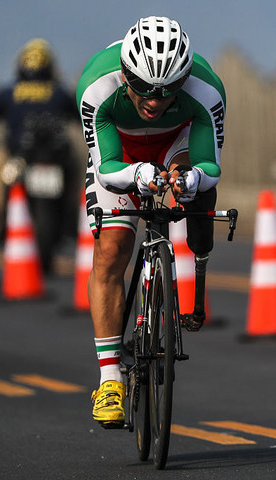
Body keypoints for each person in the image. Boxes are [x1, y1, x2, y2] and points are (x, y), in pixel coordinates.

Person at [76, 16, 226, 428]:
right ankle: (109, 379)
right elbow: (106, 169)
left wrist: (192, 178)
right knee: (111, 248)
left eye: (166, 91)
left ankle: (168, 286)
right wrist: (137, 174)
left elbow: (210, 163)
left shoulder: (206, 89)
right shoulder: (96, 88)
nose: (153, 101)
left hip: (176, 142)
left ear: (184, 80)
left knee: (187, 183)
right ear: (125, 74)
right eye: (142, 88)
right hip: (120, 152)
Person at [0, 38, 80, 253]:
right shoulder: (59, 92)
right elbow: (80, 115)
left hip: (17, 155)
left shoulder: (9, 92)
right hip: (55, 156)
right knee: (76, 168)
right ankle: (72, 218)